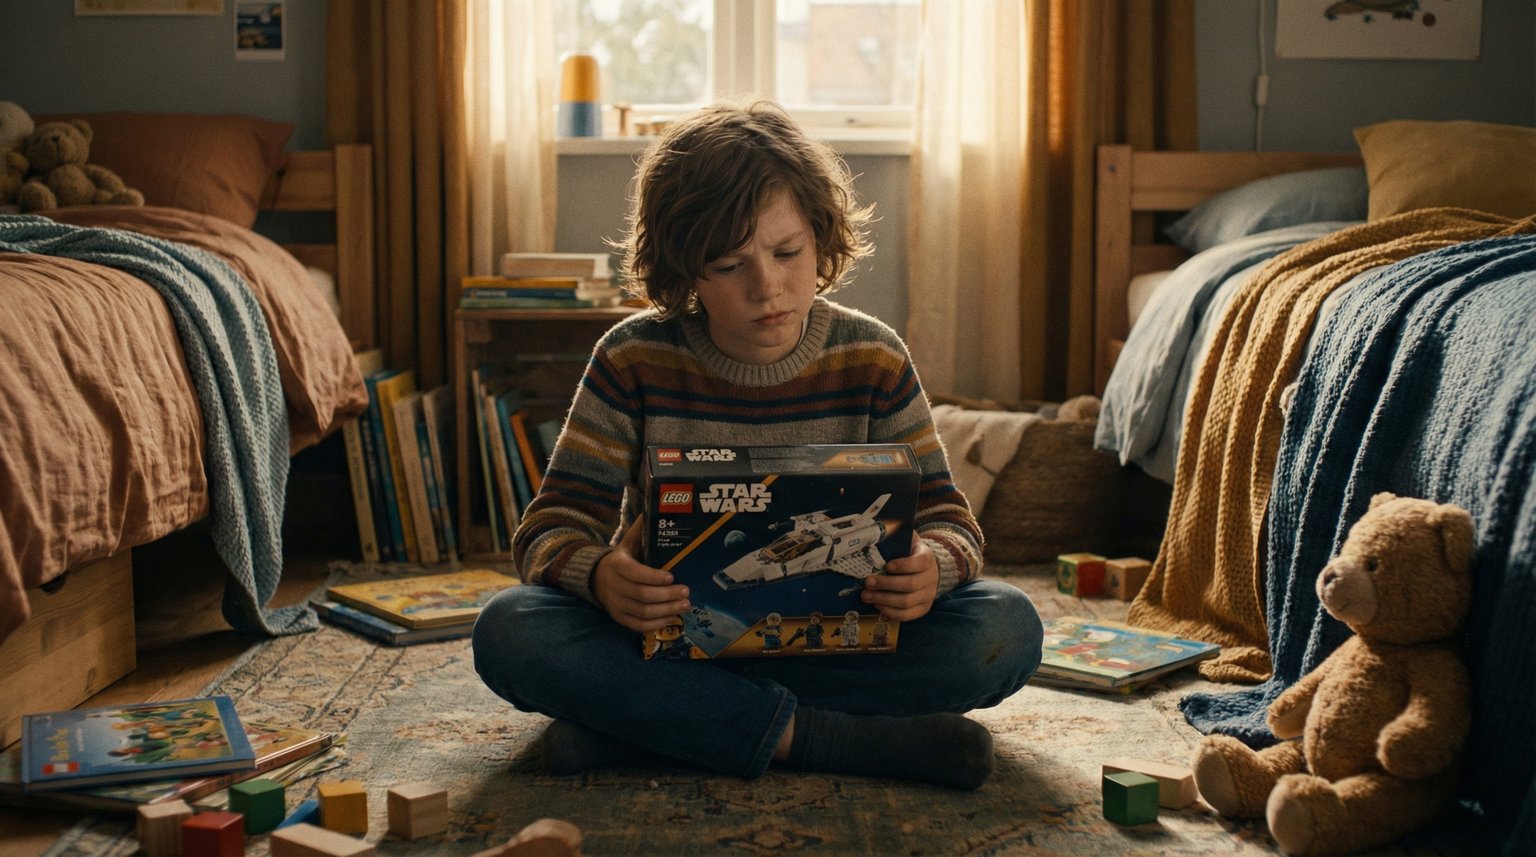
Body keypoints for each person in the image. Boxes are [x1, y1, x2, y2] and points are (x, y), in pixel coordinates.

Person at [473, 100, 1042, 791]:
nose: (766, 286)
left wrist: (933, 567)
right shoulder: (630, 358)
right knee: (511, 630)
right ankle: (824, 737)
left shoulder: (874, 356)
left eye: (786, 252)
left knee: (1008, 626)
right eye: (728, 264)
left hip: (831, 651)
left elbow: (954, 524)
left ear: (819, 236)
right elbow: (548, 529)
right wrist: (599, 575)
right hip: (668, 645)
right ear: (685, 268)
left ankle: (652, 726)